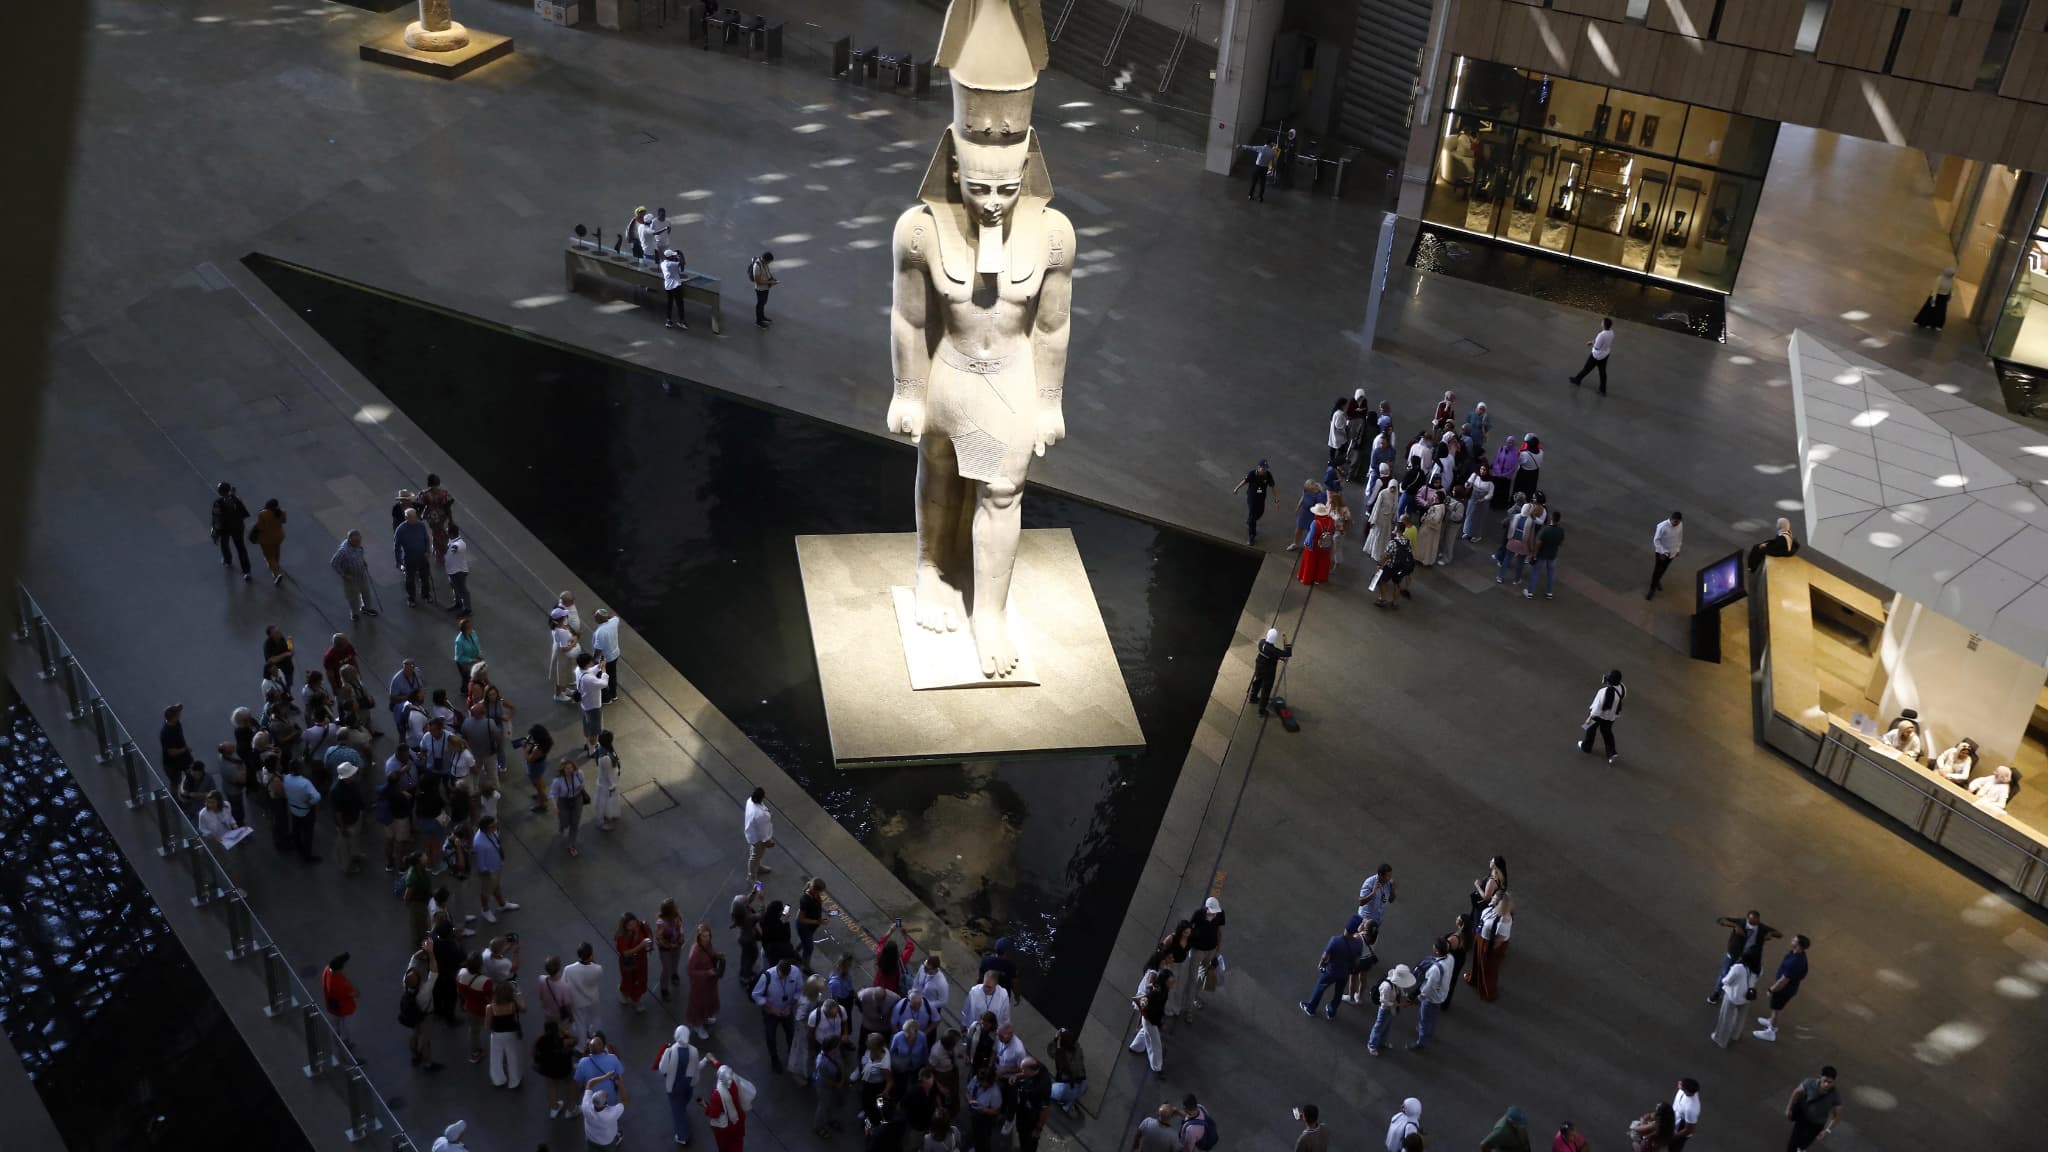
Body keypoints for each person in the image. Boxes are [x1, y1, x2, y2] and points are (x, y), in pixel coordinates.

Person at [1707, 910, 1780, 1002]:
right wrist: (1735, 926)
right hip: (1734, 953)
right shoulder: (1740, 922)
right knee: (1725, 973)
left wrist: (1770, 934)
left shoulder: (1761, 927)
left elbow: (1779, 934)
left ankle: (1741, 995)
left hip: (1749, 956)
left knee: (1747, 976)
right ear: (1747, 919)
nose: (1754, 924)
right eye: (1751, 921)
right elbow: (1721, 920)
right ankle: (1717, 993)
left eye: (1756, 921)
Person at [1753, 934, 1811, 1041]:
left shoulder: (1795, 962)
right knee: (1776, 1008)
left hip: (1784, 990)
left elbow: (1783, 981)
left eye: (1794, 940)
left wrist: (1771, 989)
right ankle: (1771, 1022)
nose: (1792, 939)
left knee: (1776, 1009)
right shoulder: (1799, 954)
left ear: (1799, 946)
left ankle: (1771, 1031)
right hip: (1789, 988)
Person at [754, 957, 804, 1074]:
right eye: (781, 976)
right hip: (771, 1013)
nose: (784, 978)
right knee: (771, 1036)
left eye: (786, 976)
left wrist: (790, 1006)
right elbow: (756, 995)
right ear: (777, 969)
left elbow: (799, 990)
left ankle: (792, 1056)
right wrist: (771, 1008)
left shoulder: (795, 972)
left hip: (787, 1010)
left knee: (790, 1033)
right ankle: (774, 1059)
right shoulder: (767, 976)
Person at [1180, 895, 1224, 1021]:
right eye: (1213, 912)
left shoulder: (1219, 915)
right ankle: (1189, 1010)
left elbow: (1219, 933)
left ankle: (1194, 996)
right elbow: (1188, 930)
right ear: (1207, 909)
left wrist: (1217, 952)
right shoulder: (1198, 915)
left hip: (1211, 950)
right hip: (1198, 951)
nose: (1215, 915)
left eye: (1217, 912)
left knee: (1203, 975)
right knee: (1193, 979)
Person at [657, 1024, 702, 1145]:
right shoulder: (694, 1050)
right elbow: (696, 1068)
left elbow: (662, 1069)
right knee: (683, 1102)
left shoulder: (670, 1051)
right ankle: (683, 1107)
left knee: (678, 1112)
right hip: (689, 1084)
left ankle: (682, 1136)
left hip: (674, 1087)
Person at [1467, 891, 1513, 1002]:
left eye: (1495, 897)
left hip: (1490, 946)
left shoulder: (1504, 921)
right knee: (1478, 961)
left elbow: (1498, 942)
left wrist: (1488, 951)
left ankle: (1488, 991)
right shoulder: (1492, 909)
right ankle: (1475, 979)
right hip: (1482, 938)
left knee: (1488, 968)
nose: (1492, 897)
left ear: (1499, 903)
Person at [1783, 1065, 1842, 1151]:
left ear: (1834, 1081)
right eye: (1825, 1080)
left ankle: (1801, 1149)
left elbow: (1837, 1117)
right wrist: (1789, 1108)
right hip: (1803, 1118)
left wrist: (1827, 1131)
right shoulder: (1809, 1083)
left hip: (1816, 1125)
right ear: (1820, 1076)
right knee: (1793, 1143)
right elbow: (1796, 1092)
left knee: (1805, 1143)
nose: (1826, 1084)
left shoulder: (1835, 1096)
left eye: (1830, 1082)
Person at [534, 1019, 583, 1119]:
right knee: (571, 1085)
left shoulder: (541, 1040)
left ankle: (554, 1108)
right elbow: (576, 1039)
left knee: (551, 1085)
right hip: (564, 1068)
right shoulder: (562, 1041)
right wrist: (565, 1032)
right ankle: (571, 1109)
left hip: (549, 1068)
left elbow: (533, 1052)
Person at [1408, 938, 1450, 1050]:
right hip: (1442, 994)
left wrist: (1419, 998)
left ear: (1437, 951)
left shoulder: (1435, 969)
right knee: (1433, 1017)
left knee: (1424, 1019)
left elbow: (1428, 987)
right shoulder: (1450, 959)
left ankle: (1421, 1041)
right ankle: (1430, 1033)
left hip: (1432, 998)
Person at [1364, 963, 1415, 1056]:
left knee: (1387, 1025)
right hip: (1385, 1009)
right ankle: (1371, 1045)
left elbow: (1401, 990)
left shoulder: (1396, 983)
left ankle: (1382, 1041)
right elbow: (1383, 1001)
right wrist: (1396, 1004)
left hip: (1392, 1009)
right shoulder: (1386, 986)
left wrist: (1405, 997)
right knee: (1379, 1027)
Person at [704, 1062, 754, 1152]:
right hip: (739, 1119)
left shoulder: (717, 1095)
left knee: (725, 1147)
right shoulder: (734, 1082)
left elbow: (714, 1114)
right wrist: (714, 1060)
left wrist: (705, 1106)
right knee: (738, 1142)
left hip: (727, 1127)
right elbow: (724, 1069)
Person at [1579, 669, 1626, 763]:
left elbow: (1597, 708)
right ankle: (1611, 753)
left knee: (1590, 729)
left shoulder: (1603, 691)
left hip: (1598, 715)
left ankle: (1586, 747)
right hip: (1611, 716)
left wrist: (1589, 718)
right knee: (1607, 732)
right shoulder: (1622, 688)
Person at [328, 531, 376, 620]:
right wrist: (344, 575)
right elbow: (334, 563)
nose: (359, 543)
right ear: (350, 540)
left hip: (361, 575)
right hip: (350, 578)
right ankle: (354, 613)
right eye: (356, 542)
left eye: (359, 541)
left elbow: (360, 554)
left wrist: (363, 562)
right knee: (353, 597)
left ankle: (366, 608)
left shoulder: (358, 546)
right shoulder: (343, 551)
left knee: (366, 592)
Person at [687, 922, 723, 1038]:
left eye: (708, 935)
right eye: (704, 936)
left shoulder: (707, 945)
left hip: (709, 982)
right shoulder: (695, 952)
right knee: (699, 1004)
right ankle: (697, 1025)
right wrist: (707, 973)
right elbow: (690, 971)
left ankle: (705, 1018)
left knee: (709, 1000)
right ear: (699, 937)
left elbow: (711, 953)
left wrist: (717, 955)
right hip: (700, 984)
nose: (707, 938)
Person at [563, 942, 606, 1039]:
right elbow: (598, 977)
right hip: (593, 999)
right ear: (591, 955)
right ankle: (595, 1037)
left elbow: (564, 985)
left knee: (580, 1022)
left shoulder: (568, 969)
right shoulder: (598, 969)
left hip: (577, 1001)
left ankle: (582, 1045)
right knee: (595, 1019)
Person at [211, 481, 253, 578]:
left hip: (225, 528)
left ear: (220, 492)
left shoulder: (218, 503)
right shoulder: (236, 499)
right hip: (238, 527)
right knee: (241, 548)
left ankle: (227, 559)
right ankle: (247, 571)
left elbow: (216, 518)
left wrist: (215, 532)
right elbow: (243, 511)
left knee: (224, 544)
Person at [394, 507, 434, 607]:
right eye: (412, 517)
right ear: (407, 518)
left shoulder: (420, 525)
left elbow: (426, 538)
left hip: (422, 556)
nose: (415, 519)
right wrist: (399, 561)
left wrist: (428, 550)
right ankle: (411, 598)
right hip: (409, 557)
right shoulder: (401, 529)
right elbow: (396, 546)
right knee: (410, 579)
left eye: (415, 516)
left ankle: (426, 594)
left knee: (425, 576)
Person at [617, 911, 654, 1014]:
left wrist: (649, 945)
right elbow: (625, 953)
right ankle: (626, 994)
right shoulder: (622, 937)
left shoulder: (643, 927)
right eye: (629, 925)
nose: (633, 926)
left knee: (640, 980)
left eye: (634, 923)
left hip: (641, 961)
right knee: (628, 980)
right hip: (628, 963)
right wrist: (641, 946)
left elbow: (649, 936)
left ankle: (636, 999)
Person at [1233, 460, 1277, 545]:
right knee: (1253, 517)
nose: (1264, 470)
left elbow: (1273, 487)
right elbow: (1245, 481)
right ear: (1258, 467)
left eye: (1266, 468)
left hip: (1261, 498)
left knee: (1260, 513)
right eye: (1263, 468)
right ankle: (1251, 536)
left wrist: (1276, 500)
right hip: (1252, 498)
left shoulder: (1268, 475)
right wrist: (1237, 488)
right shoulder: (1252, 474)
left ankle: (1250, 521)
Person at [550, 757, 587, 858]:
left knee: (575, 824)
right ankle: (562, 826)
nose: (569, 770)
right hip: (564, 802)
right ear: (563, 769)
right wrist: (555, 806)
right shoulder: (558, 781)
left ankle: (571, 845)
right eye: (567, 768)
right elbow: (553, 794)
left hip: (577, 799)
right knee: (565, 822)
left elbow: (583, 783)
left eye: (571, 768)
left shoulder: (579, 774)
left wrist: (581, 787)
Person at [321, 953, 358, 1051]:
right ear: (338, 970)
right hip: (343, 1009)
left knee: (336, 1022)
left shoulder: (327, 970)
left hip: (332, 1005)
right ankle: (346, 1043)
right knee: (345, 1026)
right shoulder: (340, 984)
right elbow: (354, 993)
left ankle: (336, 1035)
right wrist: (355, 991)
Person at [1570, 317, 1615, 392]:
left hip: (1597, 356)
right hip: (1605, 354)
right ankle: (1602, 389)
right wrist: (1593, 341)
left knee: (1587, 368)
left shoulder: (1601, 335)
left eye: (1602, 322)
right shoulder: (1611, 332)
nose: (1601, 323)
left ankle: (1577, 380)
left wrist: (1591, 343)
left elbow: (1597, 347)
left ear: (1604, 325)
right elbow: (1601, 342)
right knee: (1602, 372)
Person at [583, 1075, 627, 1150]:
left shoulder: (585, 1106)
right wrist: (620, 1084)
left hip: (590, 1136)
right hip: (606, 1141)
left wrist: (606, 1076)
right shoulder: (611, 1114)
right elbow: (624, 1100)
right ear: (605, 1104)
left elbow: (590, 1083)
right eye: (607, 1096)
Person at [251, 497, 288, 585]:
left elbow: (260, 527)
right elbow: (284, 521)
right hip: (279, 536)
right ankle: (276, 565)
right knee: (276, 552)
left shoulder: (263, 514)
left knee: (269, 556)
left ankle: (276, 573)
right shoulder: (282, 512)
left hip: (266, 538)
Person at [592, 728, 623, 830]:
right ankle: (603, 821)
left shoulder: (601, 749)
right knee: (605, 803)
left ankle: (607, 816)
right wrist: (613, 784)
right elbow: (610, 773)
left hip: (604, 781)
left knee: (606, 802)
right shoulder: (606, 758)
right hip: (607, 784)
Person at [1648, 511, 1684, 599]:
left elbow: (1679, 537)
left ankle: (1658, 581)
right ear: (1671, 519)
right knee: (1657, 570)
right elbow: (1656, 540)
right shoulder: (1662, 526)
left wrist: (1677, 549)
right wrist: (1663, 552)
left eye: (1678, 522)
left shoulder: (1680, 525)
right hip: (1662, 553)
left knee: (1664, 568)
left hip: (1672, 552)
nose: (1677, 524)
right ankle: (1652, 589)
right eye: (1675, 522)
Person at [591, 607, 622, 704]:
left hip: (605, 658)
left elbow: (598, 649)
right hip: (615, 654)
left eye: (596, 617)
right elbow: (614, 616)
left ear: (600, 619)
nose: (594, 619)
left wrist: (593, 659)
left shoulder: (601, 632)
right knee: (612, 675)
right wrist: (606, 616)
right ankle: (614, 695)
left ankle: (606, 698)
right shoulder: (614, 621)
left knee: (601, 677)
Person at [744, 786, 775, 881]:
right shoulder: (761, 815)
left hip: (752, 834)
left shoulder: (750, 800)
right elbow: (763, 831)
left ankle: (757, 867)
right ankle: (752, 876)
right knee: (755, 856)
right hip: (758, 839)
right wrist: (768, 841)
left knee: (755, 854)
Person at [442, 524, 471, 613]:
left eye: (447, 532)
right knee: (455, 588)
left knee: (462, 590)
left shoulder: (459, 543)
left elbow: (454, 549)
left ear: (452, 534)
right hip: (452, 571)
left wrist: (443, 546)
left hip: (459, 572)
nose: (446, 533)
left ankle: (468, 609)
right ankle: (458, 603)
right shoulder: (451, 540)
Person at [1671, 1078, 1702, 1151]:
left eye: (1682, 1085)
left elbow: (1689, 1129)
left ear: (1687, 1091)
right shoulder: (1685, 1090)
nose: (1679, 1083)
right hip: (1673, 1122)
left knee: (1673, 1148)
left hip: (1679, 1131)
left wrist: (1674, 1137)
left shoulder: (1691, 1108)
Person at [749, 250, 779, 327]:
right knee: (760, 304)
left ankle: (762, 317)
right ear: (765, 259)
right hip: (760, 289)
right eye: (768, 262)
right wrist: (770, 282)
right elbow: (758, 281)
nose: (768, 264)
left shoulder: (764, 263)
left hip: (766, 287)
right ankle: (758, 321)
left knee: (763, 303)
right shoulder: (757, 266)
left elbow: (767, 271)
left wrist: (772, 278)